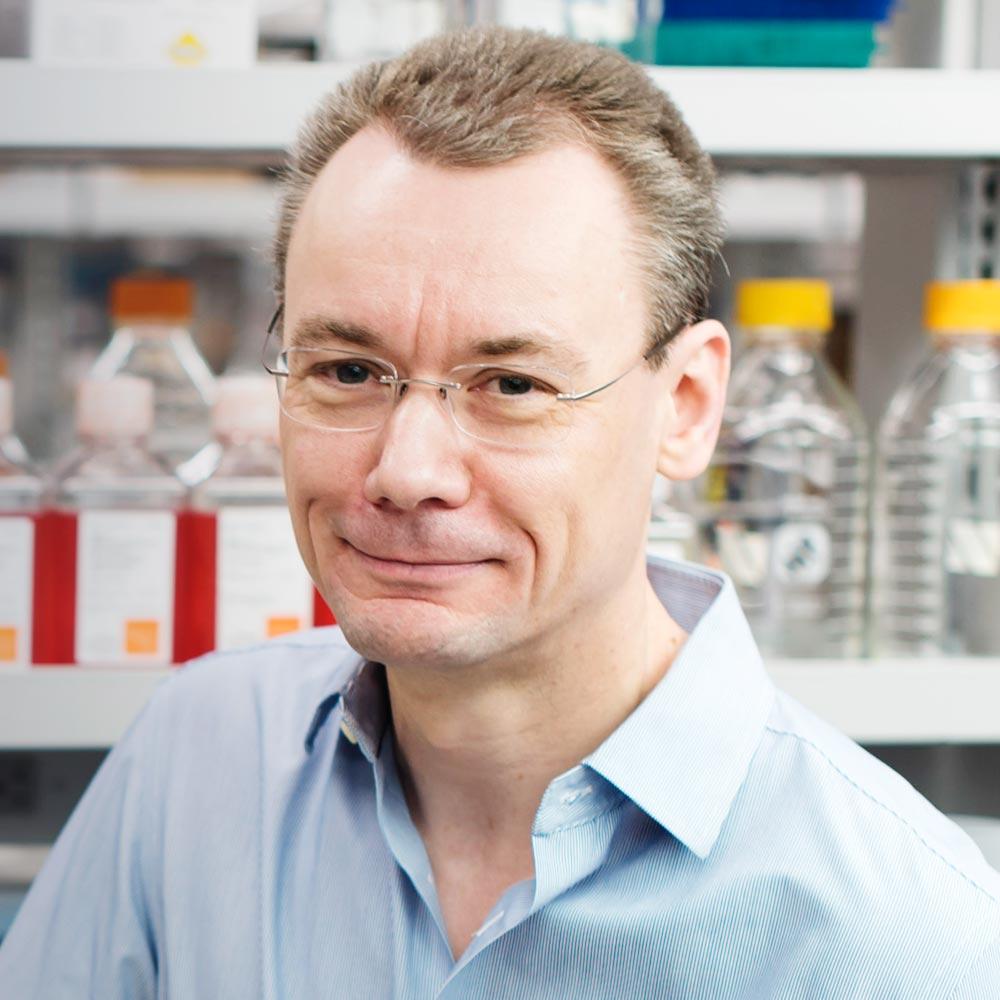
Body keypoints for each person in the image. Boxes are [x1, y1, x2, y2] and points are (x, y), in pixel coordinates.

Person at [2, 27, 999, 998]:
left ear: (687, 407)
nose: (406, 471)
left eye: (512, 385)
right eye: (347, 370)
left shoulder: (907, 944)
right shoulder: (194, 763)